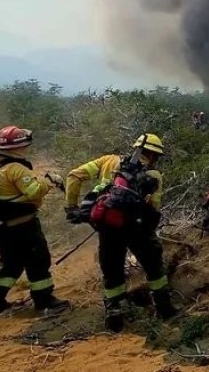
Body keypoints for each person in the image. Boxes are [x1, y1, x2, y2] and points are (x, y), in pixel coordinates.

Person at [63, 133, 178, 332]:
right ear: (153, 155)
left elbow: (74, 175)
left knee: (112, 270)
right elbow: (154, 209)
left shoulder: (108, 161)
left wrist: (71, 207)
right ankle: (164, 309)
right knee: (154, 267)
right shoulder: (154, 176)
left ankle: (114, 315)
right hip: (137, 229)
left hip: (108, 227)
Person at [0, 125, 71, 314]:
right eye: (24, 145)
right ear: (17, 147)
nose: (26, 148)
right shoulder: (15, 169)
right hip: (22, 227)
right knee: (38, 261)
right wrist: (48, 183)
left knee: (11, 263)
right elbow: (34, 192)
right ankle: (44, 300)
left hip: (3, 228)